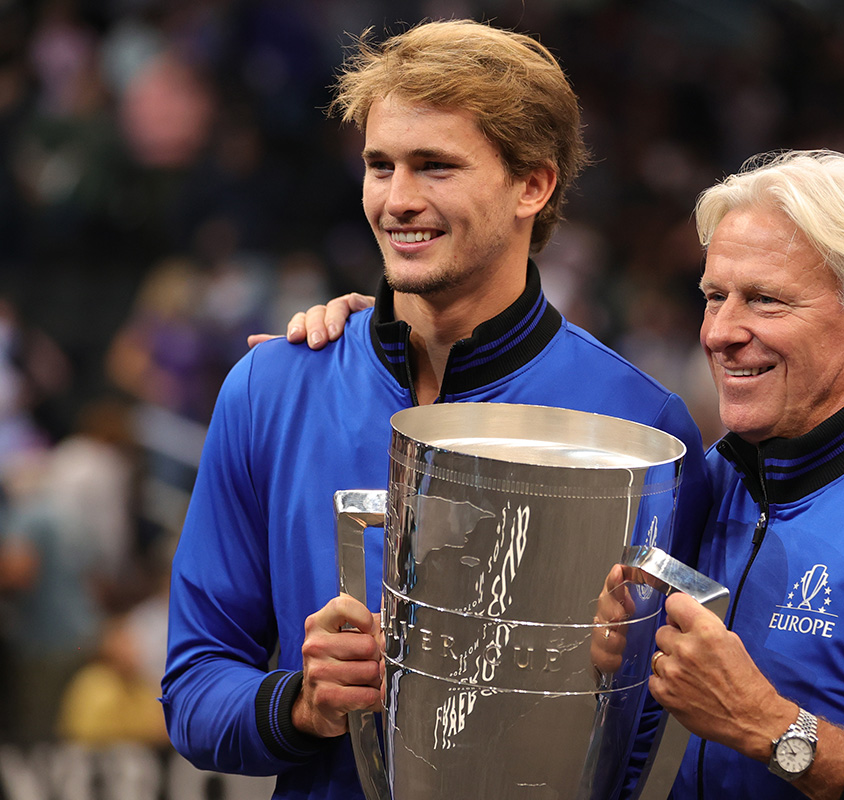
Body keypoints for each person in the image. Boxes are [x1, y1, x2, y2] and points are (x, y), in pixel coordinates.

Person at [298, 149, 844, 799]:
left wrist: (774, 729)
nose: (723, 333)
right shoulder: (701, 488)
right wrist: (372, 339)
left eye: (765, 300)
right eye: (713, 296)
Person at [161, 20, 710, 800]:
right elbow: (192, 690)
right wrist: (299, 703)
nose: (398, 200)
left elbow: (659, 741)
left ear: (534, 185)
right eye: (379, 166)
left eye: (436, 167)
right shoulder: (271, 389)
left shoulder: (640, 426)